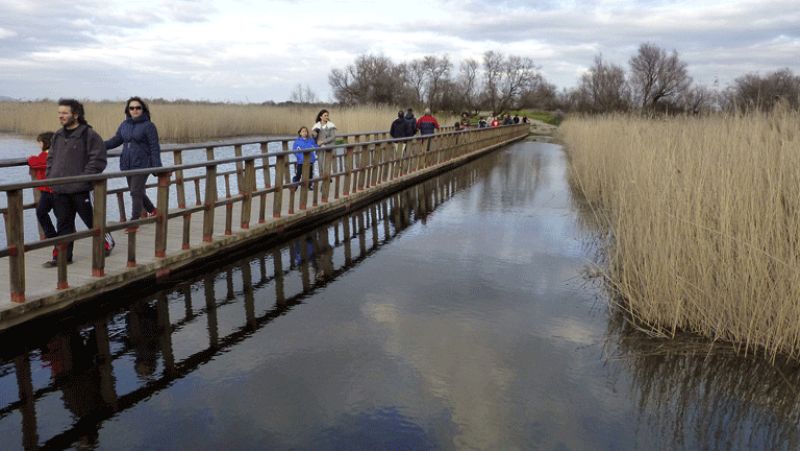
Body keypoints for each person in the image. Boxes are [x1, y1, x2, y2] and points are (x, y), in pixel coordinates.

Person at [45, 99, 107, 267]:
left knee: (91, 220)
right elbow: (50, 158)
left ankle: (106, 243)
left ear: (76, 115)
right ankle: (64, 257)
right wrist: (50, 176)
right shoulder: (58, 135)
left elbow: (98, 160)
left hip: (80, 188)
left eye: (64, 113)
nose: (61, 116)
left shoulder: (89, 134)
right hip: (60, 188)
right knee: (63, 224)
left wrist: (83, 178)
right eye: (59, 113)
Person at [105, 97, 162, 227]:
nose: (135, 110)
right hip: (127, 163)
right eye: (132, 108)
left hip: (143, 164)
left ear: (143, 110)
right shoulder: (124, 125)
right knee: (136, 190)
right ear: (128, 110)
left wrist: (157, 166)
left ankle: (134, 222)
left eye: (138, 108)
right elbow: (116, 140)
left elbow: (154, 147)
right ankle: (153, 210)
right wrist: (99, 145)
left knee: (135, 191)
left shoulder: (149, 126)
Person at [27, 132, 56, 241]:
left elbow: (36, 163)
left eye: (39, 142)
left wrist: (30, 158)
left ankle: (52, 235)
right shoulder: (57, 154)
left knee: (42, 212)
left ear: (45, 143)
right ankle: (55, 235)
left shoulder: (47, 155)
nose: (38, 145)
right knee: (45, 212)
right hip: (49, 191)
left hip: (50, 191)